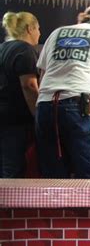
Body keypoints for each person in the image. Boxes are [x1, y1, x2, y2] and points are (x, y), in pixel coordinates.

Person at [35, 5, 90, 178]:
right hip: (79, 107)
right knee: (88, 177)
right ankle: (86, 206)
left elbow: (43, 76)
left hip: (45, 106)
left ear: (81, 17)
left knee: (52, 177)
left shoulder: (56, 33)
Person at [0, 12, 41, 178]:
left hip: (2, 117)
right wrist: (38, 116)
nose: (40, 33)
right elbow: (29, 85)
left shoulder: (2, 48)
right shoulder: (25, 50)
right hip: (16, 120)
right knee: (13, 170)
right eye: (38, 28)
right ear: (30, 29)